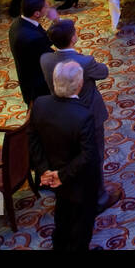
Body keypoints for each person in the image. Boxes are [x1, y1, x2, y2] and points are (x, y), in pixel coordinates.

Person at [40, 16, 120, 211]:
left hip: (60, 116)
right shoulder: (84, 62)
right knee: (95, 156)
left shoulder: (45, 59)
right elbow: (103, 72)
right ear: (73, 39)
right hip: (87, 116)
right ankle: (99, 198)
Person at [28, 60, 102, 250]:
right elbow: (88, 156)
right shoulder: (83, 115)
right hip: (78, 181)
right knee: (82, 225)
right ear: (79, 85)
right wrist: (62, 175)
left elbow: (32, 139)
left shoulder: (40, 104)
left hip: (53, 176)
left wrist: (45, 171)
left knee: (62, 216)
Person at [8, 0, 53, 107]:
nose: (48, 5)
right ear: (37, 13)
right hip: (39, 86)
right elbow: (50, 57)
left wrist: (56, 22)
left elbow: (44, 39)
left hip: (29, 79)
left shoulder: (19, 22)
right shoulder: (32, 37)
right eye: (45, 6)